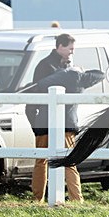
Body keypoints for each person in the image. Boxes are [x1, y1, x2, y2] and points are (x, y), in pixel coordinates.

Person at [26, 33, 83, 202]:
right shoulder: (52, 68)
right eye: (70, 49)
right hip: (61, 122)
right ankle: (76, 198)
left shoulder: (44, 65)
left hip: (46, 121)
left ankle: (38, 198)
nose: (72, 52)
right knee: (67, 161)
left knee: (41, 161)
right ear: (60, 46)